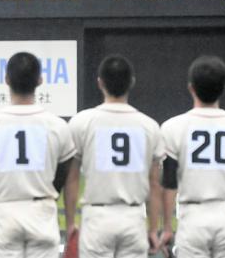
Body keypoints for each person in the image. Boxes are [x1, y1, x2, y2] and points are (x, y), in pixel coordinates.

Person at [0, 52, 76, 258]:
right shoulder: (57, 125)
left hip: (5, 211)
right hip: (41, 210)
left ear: (6, 80)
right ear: (40, 81)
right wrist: (47, 194)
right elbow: (62, 175)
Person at [65, 55, 164, 258]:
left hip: (97, 217)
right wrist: (154, 229)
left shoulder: (82, 122)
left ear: (100, 83)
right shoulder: (149, 126)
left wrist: (69, 223)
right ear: (132, 82)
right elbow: (155, 184)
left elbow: (72, 178)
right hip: (133, 217)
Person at [160, 55, 225, 258]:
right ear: (223, 87)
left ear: (191, 87)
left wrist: (167, 227)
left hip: (193, 217)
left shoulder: (172, 127)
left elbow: (169, 184)